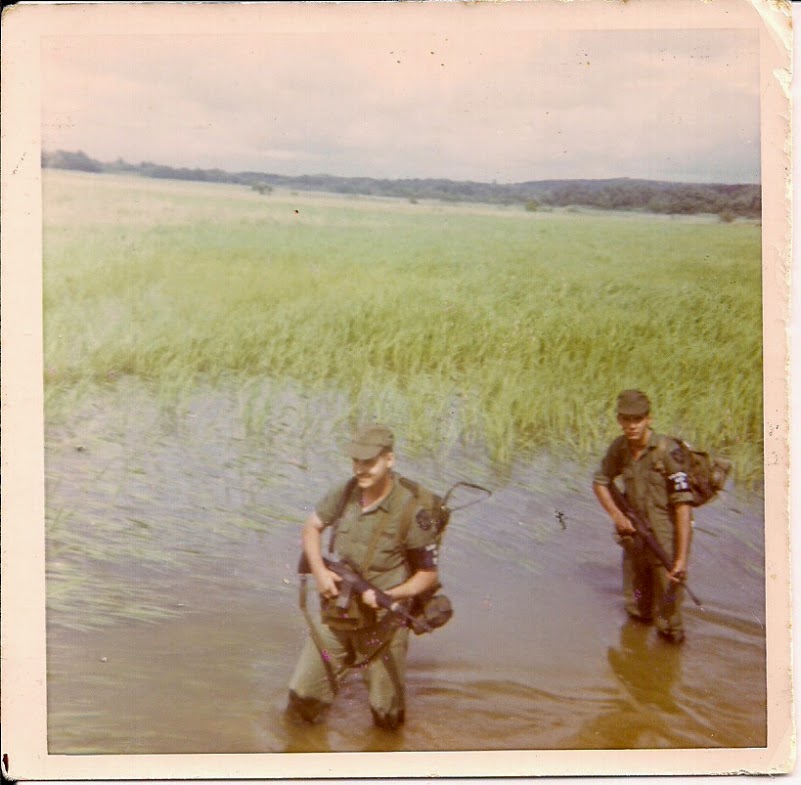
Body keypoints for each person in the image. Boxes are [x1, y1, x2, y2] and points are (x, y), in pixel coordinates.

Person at [286, 424, 440, 729]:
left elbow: (427, 575)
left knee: (386, 717)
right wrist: (320, 573)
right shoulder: (345, 493)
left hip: (383, 623)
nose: (360, 469)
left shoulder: (412, 511)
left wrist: (391, 596)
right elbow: (311, 528)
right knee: (302, 699)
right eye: (356, 461)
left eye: (368, 462)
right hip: (337, 613)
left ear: (389, 460)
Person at [592, 390, 694, 643]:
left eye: (637, 419)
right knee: (637, 612)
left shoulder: (668, 451)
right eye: (625, 419)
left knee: (670, 624)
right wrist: (617, 516)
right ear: (619, 419)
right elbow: (600, 481)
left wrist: (680, 559)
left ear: (649, 418)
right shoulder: (620, 448)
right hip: (634, 540)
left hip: (664, 545)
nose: (631, 425)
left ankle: (669, 674)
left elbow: (683, 509)